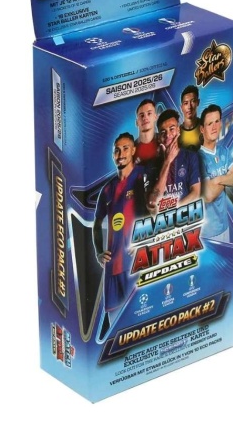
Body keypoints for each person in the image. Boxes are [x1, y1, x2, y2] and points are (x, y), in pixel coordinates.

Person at [93, 132, 148, 336]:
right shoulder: (107, 189)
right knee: (117, 333)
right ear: (112, 155)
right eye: (117, 150)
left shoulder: (143, 176)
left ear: (133, 150)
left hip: (138, 265)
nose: (121, 154)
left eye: (125, 149)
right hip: (113, 269)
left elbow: (157, 209)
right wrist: (99, 252)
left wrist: (144, 239)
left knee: (142, 322)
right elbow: (96, 224)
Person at [198, 104, 233, 244]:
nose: (214, 127)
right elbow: (208, 195)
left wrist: (217, 179)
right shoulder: (197, 157)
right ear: (202, 129)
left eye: (217, 121)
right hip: (207, 233)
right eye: (209, 124)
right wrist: (228, 177)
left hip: (225, 227)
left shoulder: (224, 151)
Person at [148, 109, 201, 213]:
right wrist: (167, 161)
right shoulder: (151, 166)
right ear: (159, 137)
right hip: (162, 221)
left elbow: (195, 193)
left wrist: (173, 211)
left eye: (171, 129)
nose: (168, 135)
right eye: (163, 132)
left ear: (178, 130)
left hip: (186, 218)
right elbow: (152, 205)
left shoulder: (190, 157)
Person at [133, 98, 159, 164]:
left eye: (149, 113)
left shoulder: (165, 140)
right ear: (136, 122)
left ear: (155, 117)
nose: (145, 118)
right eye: (141, 115)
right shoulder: (131, 149)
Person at [178, 85, 201, 151]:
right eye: (186, 103)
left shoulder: (205, 126)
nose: (189, 107)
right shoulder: (177, 134)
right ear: (181, 107)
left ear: (198, 102)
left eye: (193, 101)